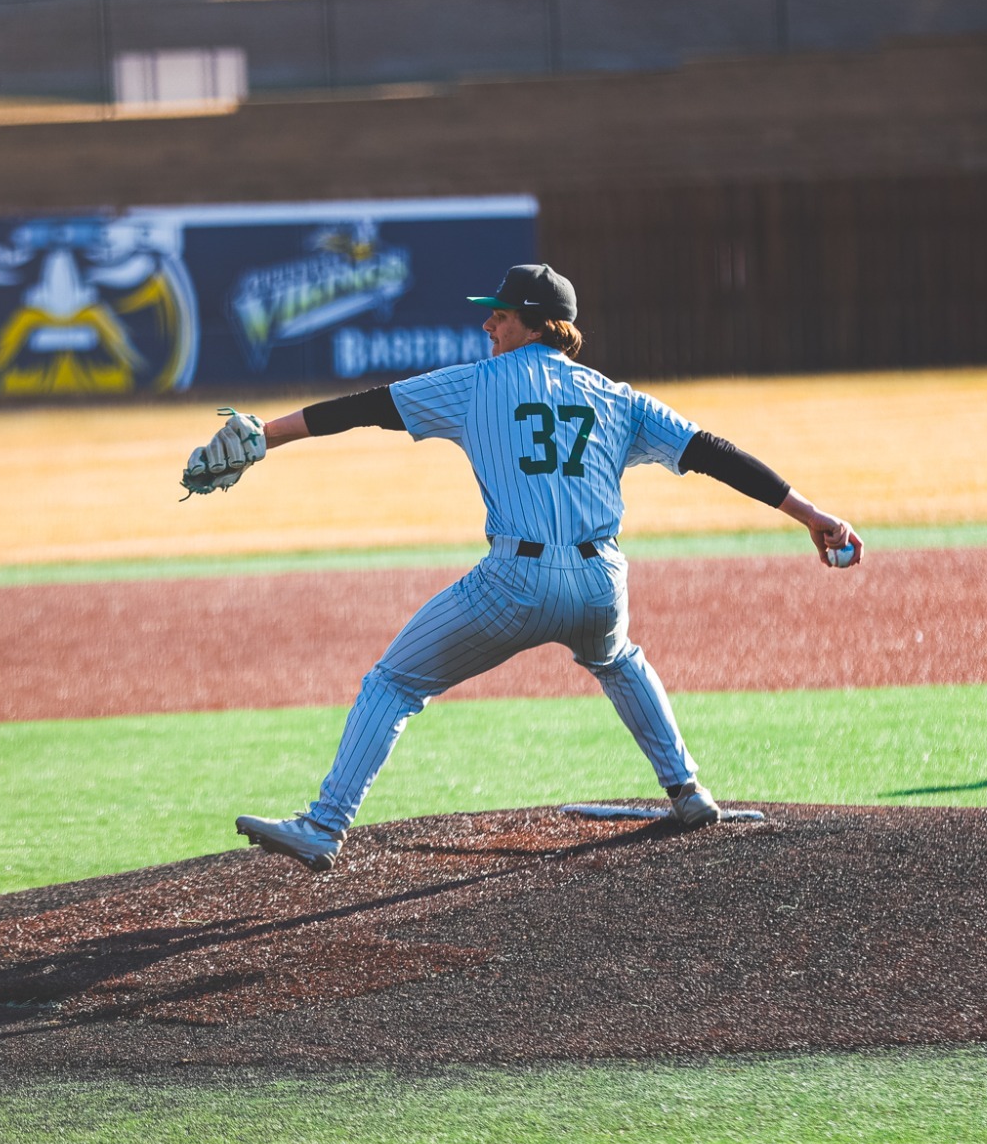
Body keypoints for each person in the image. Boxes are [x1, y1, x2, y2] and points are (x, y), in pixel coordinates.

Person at [185, 264, 862, 873]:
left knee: (393, 682)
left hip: (514, 582)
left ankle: (324, 824)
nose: (488, 322)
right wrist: (810, 514)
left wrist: (267, 435)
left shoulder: (477, 383)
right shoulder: (615, 396)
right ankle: (687, 791)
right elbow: (713, 452)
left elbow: (367, 408)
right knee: (618, 656)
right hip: (601, 582)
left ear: (537, 323)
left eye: (500, 315)